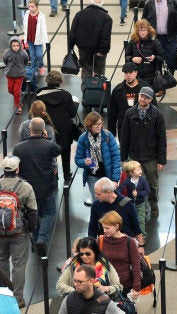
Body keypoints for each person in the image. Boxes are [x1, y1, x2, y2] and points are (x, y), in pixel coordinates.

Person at [12, 117, 62, 257]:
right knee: (48, 213)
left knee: (33, 215)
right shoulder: (49, 145)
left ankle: (35, 241)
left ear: (29, 129)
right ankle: (42, 239)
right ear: (43, 130)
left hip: (28, 189)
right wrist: (48, 139)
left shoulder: (18, 148)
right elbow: (58, 150)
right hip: (47, 187)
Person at [119, 86, 167, 217]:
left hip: (151, 156)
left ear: (151, 99)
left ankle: (153, 204)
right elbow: (124, 137)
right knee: (135, 184)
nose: (142, 99)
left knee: (152, 184)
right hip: (134, 156)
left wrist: (161, 160)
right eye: (141, 96)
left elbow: (162, 138)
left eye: (146, 97)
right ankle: (141, 208)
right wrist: (123, 158)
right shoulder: (130, 114)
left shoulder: (157, 115)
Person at [0, 156, 37, 308]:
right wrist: (31, 230)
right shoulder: (25, 187)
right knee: (19, 266)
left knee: (2, 262)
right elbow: (33, 212)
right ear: (17, 169)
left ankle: (3, 297)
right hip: (18, 233)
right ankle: (17, 299)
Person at [36, 70, 77, 183]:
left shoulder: (39, 95)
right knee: (66, 152)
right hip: (64, 130)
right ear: (60, 82)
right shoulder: (66, 95)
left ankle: (53, 175)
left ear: (47, 81)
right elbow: (72, 113)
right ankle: (67, 175)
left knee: (49, 154)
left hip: (47, 129)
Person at [56, 237, 123, 297]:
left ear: (95, 252)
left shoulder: (105, 265)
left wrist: (107, 289)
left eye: (88, 253)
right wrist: (75, 292)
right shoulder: (73, 265)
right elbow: (60, 284)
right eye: (81, 254)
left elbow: (118, 287)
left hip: (101, 305)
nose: (84, 256)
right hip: (78, 305)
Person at [75, 112, 121, 199]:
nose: (99, 126)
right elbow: (77, 160)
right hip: (92, 176)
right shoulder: (83, 138)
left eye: (100, 124)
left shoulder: (108, 136)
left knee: (110, 201)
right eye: (96, 124)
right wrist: (84, 162)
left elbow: (116, 158)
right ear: (89, 125)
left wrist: (115, 179)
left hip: (108, 176)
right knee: (97, 201)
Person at [87, 177, 143, 247]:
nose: (96, 196)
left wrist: (141, 245)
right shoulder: (96, 205)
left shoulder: (128, 204)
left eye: (98, 194)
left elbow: (136, 225)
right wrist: (91, 246)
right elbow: (92, 227)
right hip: (105, 244)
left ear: (108, 193)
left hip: (125, 245)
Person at [97, 211, 141, 297]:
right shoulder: (100, 240)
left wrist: (136, 288)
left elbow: (136, 265)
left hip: (124, 286)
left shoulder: (129, 242)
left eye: (107, 228)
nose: (104, 231)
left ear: (117, 226)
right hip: (104, 286)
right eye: (103, 228)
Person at [68, 0, 112, 80]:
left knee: (85, 71)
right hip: (98, 52)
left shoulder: (79, 14)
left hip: (83, 50)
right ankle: (97, 91)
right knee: (99, 74)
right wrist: (103, 50)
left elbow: (73, 33)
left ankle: (85, 90)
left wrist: (71, 46)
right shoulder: (106, 17)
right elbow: (105, 36)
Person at [108, 62, 154, 136]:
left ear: (136, 72)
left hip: (143, 129)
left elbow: (154, 110)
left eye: (130, 72)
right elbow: (112, 113)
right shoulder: (118, 90)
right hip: (123, 129)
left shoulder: (146, 88)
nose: (128, 75)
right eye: (126, 73)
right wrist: (111, 132)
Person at [142, 0, 177, 72]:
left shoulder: (173, 3)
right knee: (154, 62)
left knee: (171, 62)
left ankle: (169, 80)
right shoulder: (148, 4)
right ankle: (157, 80)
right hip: (154, 39)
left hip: (170, 39)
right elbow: (143, 22)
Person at [125, 19, 164, 88]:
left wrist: (154, 57)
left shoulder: (154, 41)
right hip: (135, 74)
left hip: (150, 75)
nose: (142, 32)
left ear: (148, 30)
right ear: (137, 31)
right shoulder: (133, 41)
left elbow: (161, 58)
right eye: (140, 30)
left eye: (144, 30)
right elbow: (127, 56)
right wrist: (133, 59)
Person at [116, 161, 150, 239]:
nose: (140, 171)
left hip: (140, 203)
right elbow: (121, 187)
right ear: (131, 173)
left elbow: (147, 190)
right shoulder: (128, 180)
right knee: (132, 220)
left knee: (141, 220)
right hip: (131, 204)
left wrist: (138, 194)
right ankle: (134, 235)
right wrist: (116, 194)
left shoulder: (143, 180)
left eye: (140, 169)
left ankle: (143, 236)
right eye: (138, 170)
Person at [2, 36, 28, 114]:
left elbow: (26, 61)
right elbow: (5, 60)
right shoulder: (7, 53)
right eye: (14, 46)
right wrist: (9, 68)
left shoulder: (23, 53)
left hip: (19, 75)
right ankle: (17, 97)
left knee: (17, 92)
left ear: (20, 45)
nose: (16, 47)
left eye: (17, 45)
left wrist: (22, 68)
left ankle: (18, 106)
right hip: (10, 75)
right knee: (10, 90)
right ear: (11, 46)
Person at [23, 0, 48, 76]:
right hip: (30, 39)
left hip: (38, 40)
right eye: (29, 6)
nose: (30, 8)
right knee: (32, 55)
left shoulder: (41, 16)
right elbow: (25, 26)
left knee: (39, 55)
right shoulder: (27, 14)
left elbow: (44, 29)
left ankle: (40, 66)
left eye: (32, 7)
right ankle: (34, 68)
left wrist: (45, 41)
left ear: (37, 7)